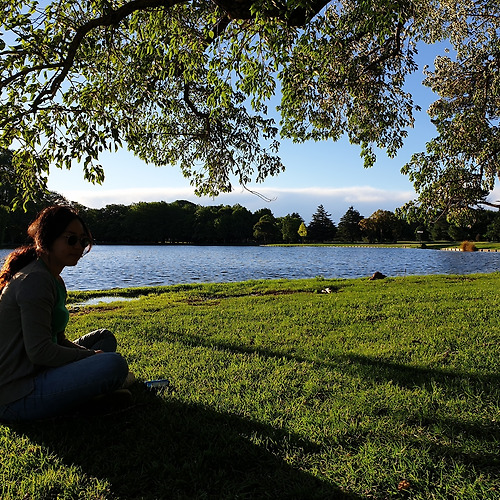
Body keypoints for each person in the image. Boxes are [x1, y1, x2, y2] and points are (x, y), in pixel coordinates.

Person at [0, 205, 133, 422]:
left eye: (83, 241)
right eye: (71, 239)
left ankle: (91, 393)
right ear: (46, 239)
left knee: (104, 339)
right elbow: (40, 352)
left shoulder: (54, 279)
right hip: (16, 394)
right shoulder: (35, 280)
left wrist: (89, 355)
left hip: (41, 370)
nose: (78, 247)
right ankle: (91, 396)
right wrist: (90, 357)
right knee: (114, 364)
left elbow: (57, 338)